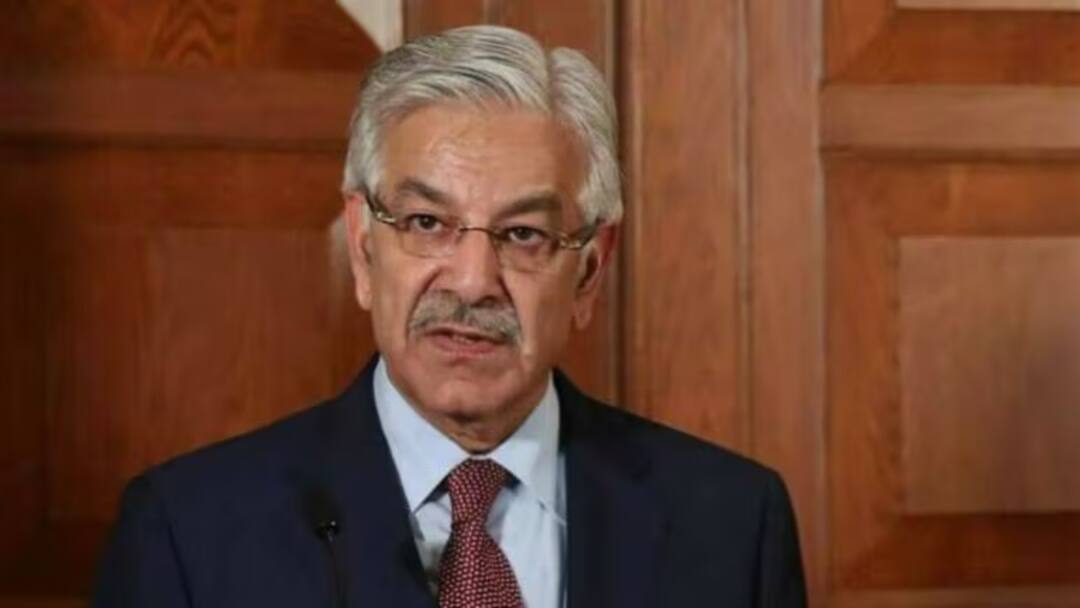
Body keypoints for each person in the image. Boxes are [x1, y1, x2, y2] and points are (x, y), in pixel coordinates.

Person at [93, 25, 806, 608]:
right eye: (427, 222)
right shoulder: (189, 533)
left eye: (523, 234)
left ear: (589, 270)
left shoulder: (733, 526)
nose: (472, 282)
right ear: (364, 249)